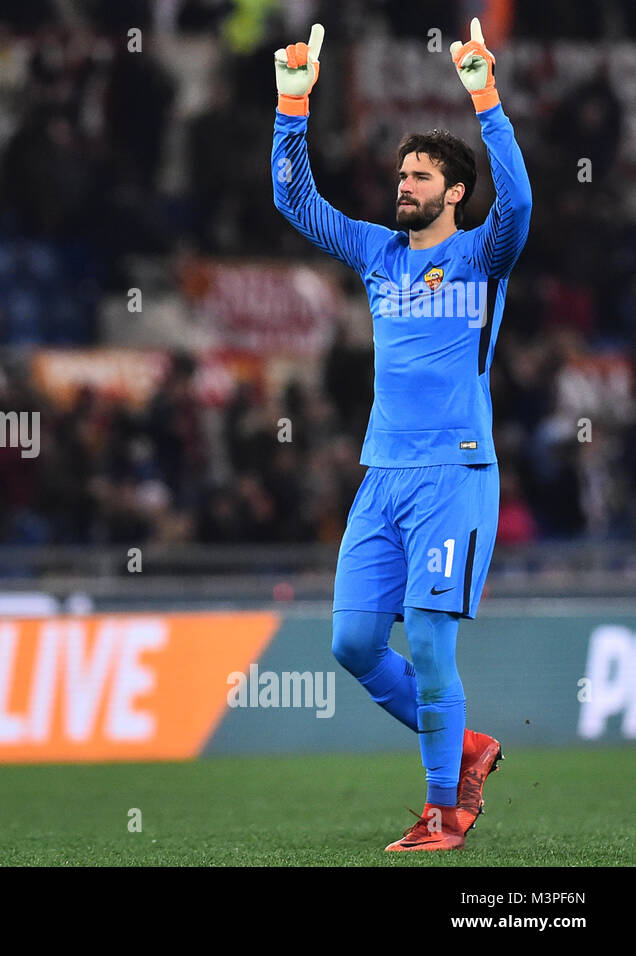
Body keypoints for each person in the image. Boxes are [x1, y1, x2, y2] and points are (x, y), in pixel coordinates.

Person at [271, 20, 531, 850]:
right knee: (352, 641)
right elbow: (295, 201)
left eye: (420, 175)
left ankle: (441, 811)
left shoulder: (482, 258)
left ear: (456, 191)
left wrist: (485, 96)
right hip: (382, 475)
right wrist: (291, 101)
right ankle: (465, 747)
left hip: (455, 474)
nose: (404, 185)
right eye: (401, 174)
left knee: (424, 635)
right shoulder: (380, 254)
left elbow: (519, 200)